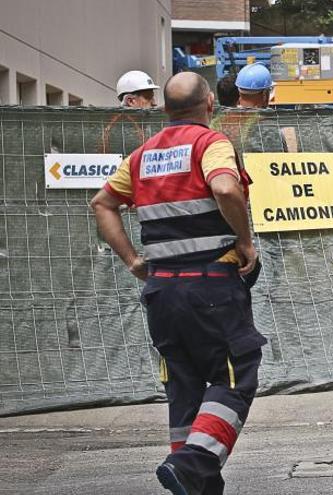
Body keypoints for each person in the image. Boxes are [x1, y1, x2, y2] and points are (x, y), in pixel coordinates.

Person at [90, 72, 265, 495]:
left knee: (184, 386)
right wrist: (244, 240)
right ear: (209, 104)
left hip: (162, 293)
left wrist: (134, 260)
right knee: (235, 377)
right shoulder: (211, 143)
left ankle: (195, 484)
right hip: (210, 287)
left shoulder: (142, 155)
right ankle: (193, 464)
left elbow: (102, 203)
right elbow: (224, 186)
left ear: (166, 109)